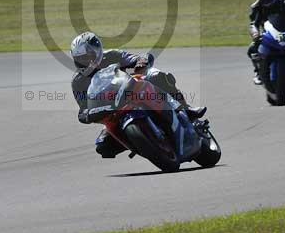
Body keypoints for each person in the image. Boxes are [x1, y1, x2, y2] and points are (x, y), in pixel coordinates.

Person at [70, 32, 207, 159]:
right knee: (104, 147)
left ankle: (186, 108)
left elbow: (135, 58)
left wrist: (141, 61)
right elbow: (83, 107)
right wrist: (87, 115)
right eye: (80, 59)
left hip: (130, 91)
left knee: (156, 75)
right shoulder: (78, 81)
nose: (85, 61)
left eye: (87, 57)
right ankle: (142, 142)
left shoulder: (112, 55)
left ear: (97, 51)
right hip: (111, 111)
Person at [247, 0, 285, 85]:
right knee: (252, 49)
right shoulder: (256, 7)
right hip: (268, 36)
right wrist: (255, 34)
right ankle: (258, 71)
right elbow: (253, 24)